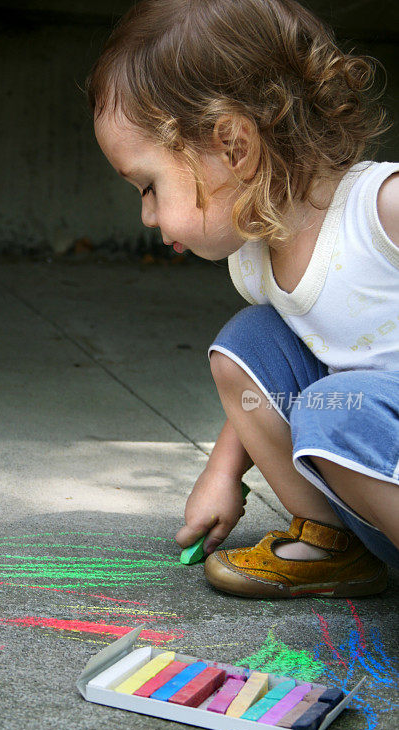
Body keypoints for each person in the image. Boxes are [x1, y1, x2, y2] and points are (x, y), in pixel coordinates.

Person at [86, 0, 399, 597]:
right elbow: (275, 390)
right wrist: (222, 472)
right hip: (371, 469)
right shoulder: (255, 258)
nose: (147, 215)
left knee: (337, 409)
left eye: (149, 186)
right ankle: (334, 542)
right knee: (245, 348)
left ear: (233, 145)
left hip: (374, 434)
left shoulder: (378, 211)